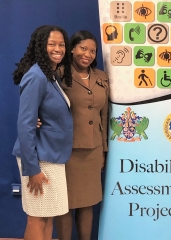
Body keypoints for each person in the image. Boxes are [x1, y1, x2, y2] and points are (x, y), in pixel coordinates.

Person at [12, 25, 72, 240]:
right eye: (52, 44)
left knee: (47, 215)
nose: (58, 48)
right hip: (39, 159)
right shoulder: (36, 76)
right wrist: (32, 169)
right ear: (40, 47)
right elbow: (25, 124)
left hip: (51, 156)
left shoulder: (50, 74)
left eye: (62, 44)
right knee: (37, 217)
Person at [55, 30, 109, 240]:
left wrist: (104, 150)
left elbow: (104, 117)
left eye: (92, 51)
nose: (87, 54)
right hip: (66, 150)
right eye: (83, 48)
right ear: (72, 49)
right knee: (66, 203)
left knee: (88, 202)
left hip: (93, 150)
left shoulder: (101, 77)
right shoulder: (58, 74)